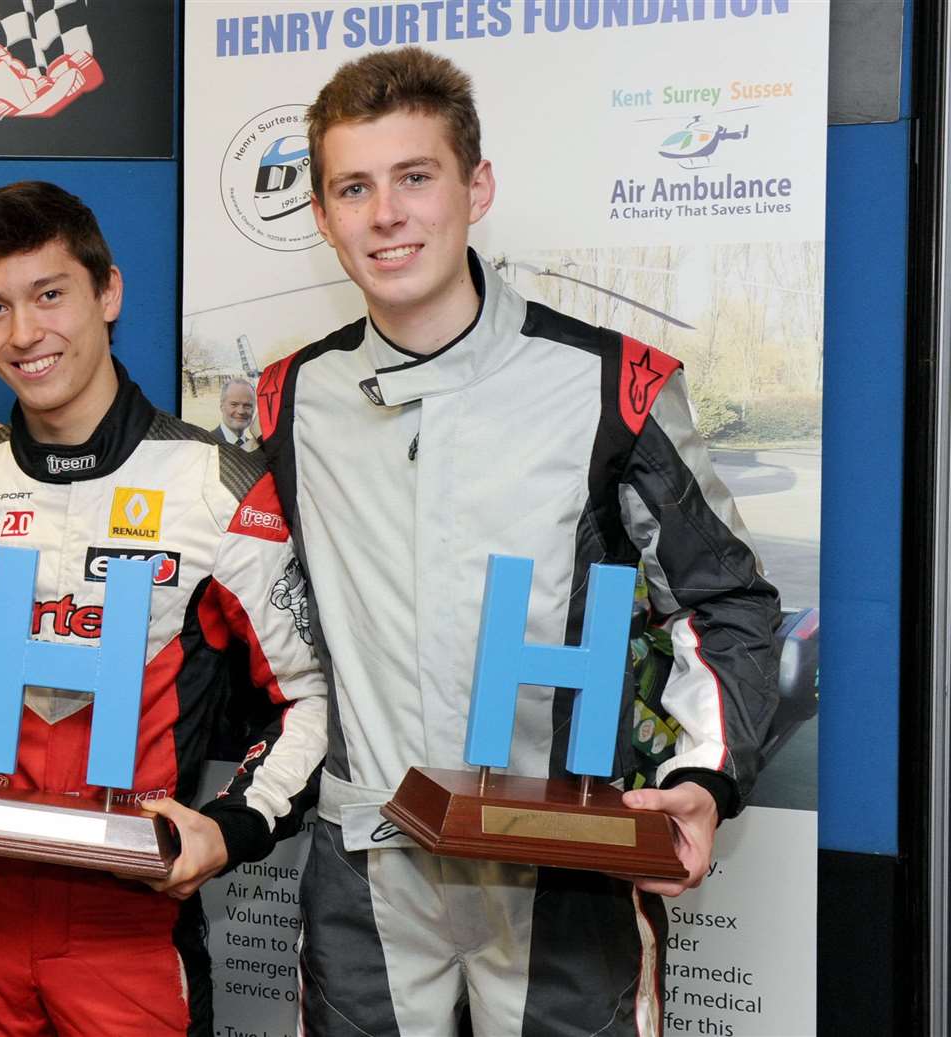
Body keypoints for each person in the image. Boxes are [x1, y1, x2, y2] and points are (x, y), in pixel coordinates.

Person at [243, 47, 782, 1034]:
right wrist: (9, 459)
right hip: (366, 866)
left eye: (415, 177)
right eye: (354, 188)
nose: (386, 214)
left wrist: (701, 778)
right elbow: (203, 568)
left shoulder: (615, 382)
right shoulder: (284, 401)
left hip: (562, 867)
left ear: (475, 186)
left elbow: (726, 601)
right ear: (322, 216)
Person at [0, 181, 328, 1036]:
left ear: (109, 292)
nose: (24, 334)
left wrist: (231, 825)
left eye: (50, 294)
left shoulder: (220, 486)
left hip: (130, 913)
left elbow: (310, 698)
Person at [214, 377, 260, 450]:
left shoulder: (257, 448)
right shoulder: (207, 444)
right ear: (222, 407)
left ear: (254, 409)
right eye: (234, 404)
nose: (241, 411)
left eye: (247, 405)